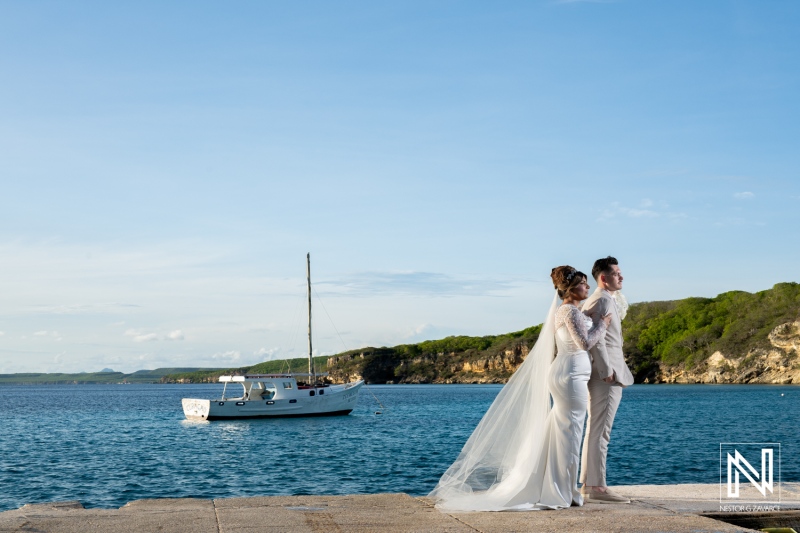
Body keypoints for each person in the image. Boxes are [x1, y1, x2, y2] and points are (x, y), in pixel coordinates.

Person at [428, 266, 611, 511]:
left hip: (568, 373)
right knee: (571, 432)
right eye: (583, 284)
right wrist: (602, 325)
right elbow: (585, 342)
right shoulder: (569, 311)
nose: (587, 287)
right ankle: (562, 491)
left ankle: (558, 486)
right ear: (570, 288)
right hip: (570, 375)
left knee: (562, 431)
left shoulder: (568, 311)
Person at [579, 256, 635, 504]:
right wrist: (606, 370)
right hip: (606, 375)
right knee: (601, 432)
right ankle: (597, 487)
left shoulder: (604, 299)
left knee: (596, 430)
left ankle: (588, 483)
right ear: (603, 277)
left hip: (607, 372)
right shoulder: (601, 301)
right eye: (616, 273)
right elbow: (597, 339)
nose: (621, 277)